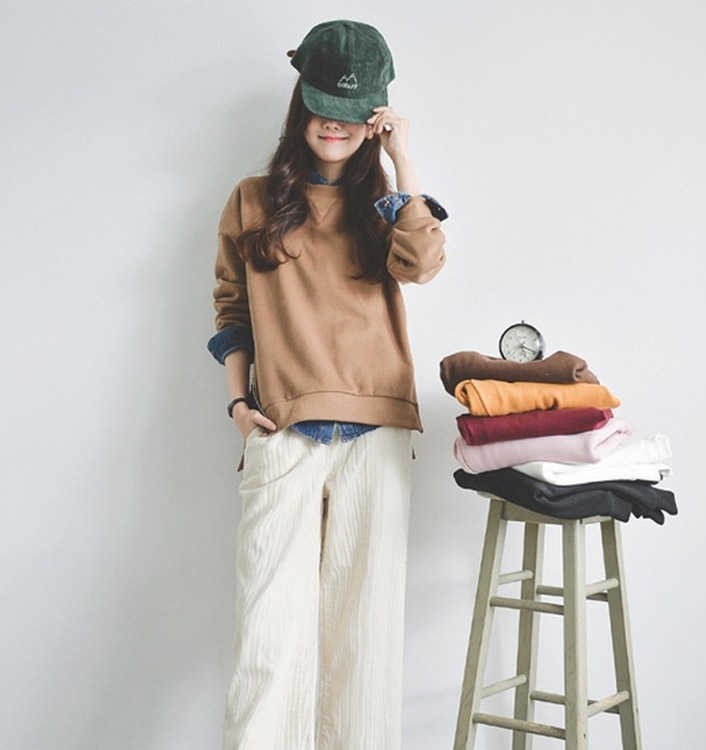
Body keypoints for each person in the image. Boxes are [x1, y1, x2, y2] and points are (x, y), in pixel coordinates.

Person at [206, 19, 449, 750]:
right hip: (282, 431)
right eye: (322, 107)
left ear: (374, 116)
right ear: (301, 103)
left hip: (376, 432)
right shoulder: (251, 200)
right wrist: (240, 404)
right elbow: (232, 310)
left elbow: (423, 265)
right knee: (268, 640)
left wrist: (404, 163)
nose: (334, 125)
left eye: (352, 113)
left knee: (365, 642)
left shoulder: (387, 208)